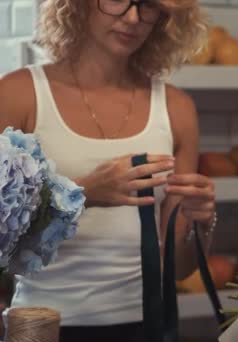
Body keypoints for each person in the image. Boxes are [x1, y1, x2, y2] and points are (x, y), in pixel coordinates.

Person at [0, 0, 213, 341]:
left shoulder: (176, 108)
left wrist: (200, 222)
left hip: (146, 327)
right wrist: (85, 193)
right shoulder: (18, 94)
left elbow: (179, 267)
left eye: (148, 6)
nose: (132, 17)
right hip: (41, 325)